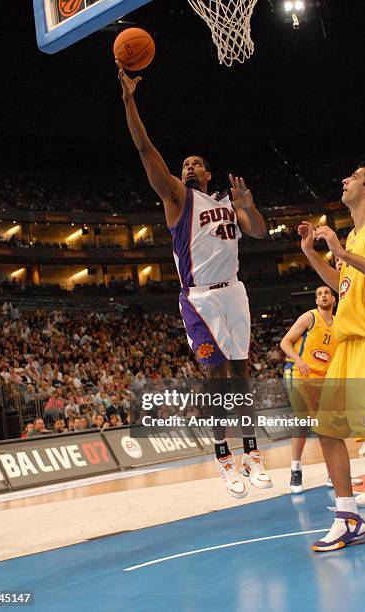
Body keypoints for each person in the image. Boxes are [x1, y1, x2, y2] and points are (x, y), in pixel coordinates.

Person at [117, 62, 271, 498]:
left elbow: (257, 231)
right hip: (199, 299)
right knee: (217, 375)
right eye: (183, 163)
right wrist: (129, 101)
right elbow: (147, 150)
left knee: (241, 373)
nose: (187, 166)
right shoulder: (176, 197)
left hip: (235, 292)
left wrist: (249, 206)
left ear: (208, 172)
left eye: (195, 163)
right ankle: (224, 458)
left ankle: (252, 452)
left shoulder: (225, 201)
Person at [298, 161, 365, 551]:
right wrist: (313, 254)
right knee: (328, 430)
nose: (345, 180)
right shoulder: (353, 233)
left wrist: (339, 250)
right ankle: (348, 518)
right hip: (347, 348)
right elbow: (342, 284)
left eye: (355, 177)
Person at [281, 286, 362, 492]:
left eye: (326, 293)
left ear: (334, 299)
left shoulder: (339, 325)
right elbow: (285, 342)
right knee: (303, 421)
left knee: (330, 428)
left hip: (324, 381)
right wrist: (298, 360)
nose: (323, 296)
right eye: (319, 294)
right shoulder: (309, 317)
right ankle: (295, 471)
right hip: (299, 375)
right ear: (316, 301)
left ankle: (332, 475)